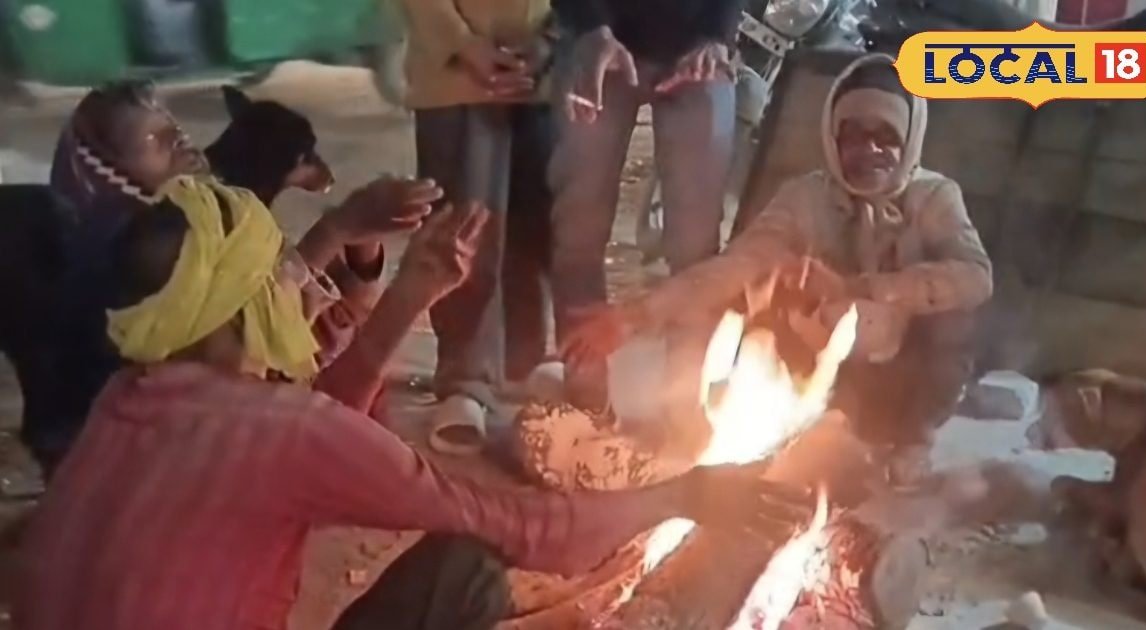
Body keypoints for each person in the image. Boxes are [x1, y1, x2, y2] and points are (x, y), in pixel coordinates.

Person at [16, 175, 806, 630]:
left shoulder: (128, 398)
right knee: (461, 571)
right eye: (273, 274)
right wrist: (686, 495)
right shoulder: (279, 430)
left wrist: (410, 293)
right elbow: (530, 530)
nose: (293, 286)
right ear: (239, 305)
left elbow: (307, 440)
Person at [564, 55, 994, 483]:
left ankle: (913, 438)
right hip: (831, 365)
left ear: (909, 138)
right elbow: (735, 267)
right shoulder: (804, 199)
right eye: (854, 135)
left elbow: (976, 277)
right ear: (833, 137)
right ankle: (811, 433)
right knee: (766, 295)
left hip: (908, 365)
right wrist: (636, 315)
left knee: (953, 315)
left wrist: (862, 287)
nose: (870, 150)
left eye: (886, 136)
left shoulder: (934, 197)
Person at [24, 81, 436, 477]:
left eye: (176, 130)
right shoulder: (143, 265)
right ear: (108, 175)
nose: (181, 142)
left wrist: (359, 242)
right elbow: (265, 324)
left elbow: (286, 311)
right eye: (154, 142)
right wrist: (340, 232)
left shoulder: (211, 228)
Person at [549, 0, 743, 415]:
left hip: (696, 47)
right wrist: (590, 27)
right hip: (597, 41)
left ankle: (686, 392)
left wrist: (717, 35)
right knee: (579, 223)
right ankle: (585, 383)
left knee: (696, 242)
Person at [397, 0, 557, 452]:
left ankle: (525, 363)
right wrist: (461, 42)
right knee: (468, 226)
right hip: (455, 74)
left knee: (538, 227)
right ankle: (465, 380)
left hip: (547, 71)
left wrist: (552, 40)